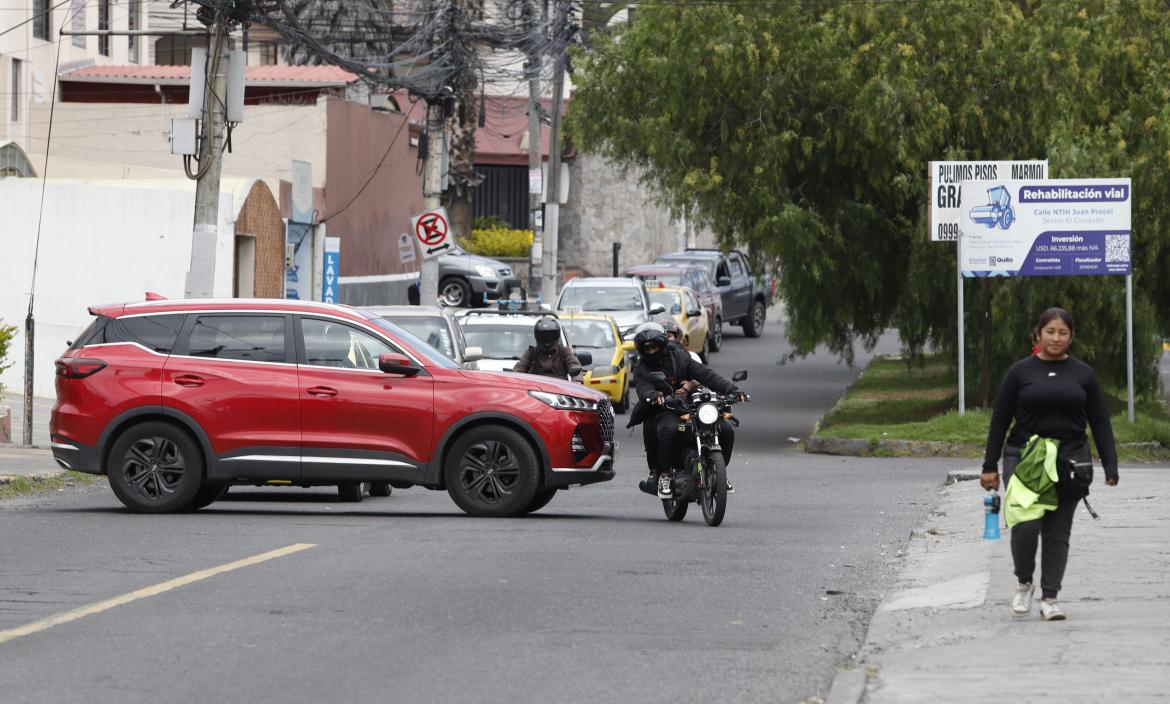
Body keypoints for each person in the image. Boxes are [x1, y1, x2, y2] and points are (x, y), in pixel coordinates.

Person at [980, 307, 1119, 621]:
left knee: (1058, 531)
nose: (1056, 338)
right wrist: (989, 465)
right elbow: (1000, 420)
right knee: (1026, 526)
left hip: (1070, 459)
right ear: (1038, 334)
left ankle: (1051, 598)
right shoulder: (1020, 372)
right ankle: (1024, 582)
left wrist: (1111, 465)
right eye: (1050, 332)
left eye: (1063, 333)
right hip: (1024, 457)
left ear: (1071, 337)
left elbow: (1099, 420)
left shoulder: (1083, 374)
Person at [628, 323, 745, 499]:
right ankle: (665, 475)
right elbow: (643, 388)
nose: (651, 351)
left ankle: (718, 473)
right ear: (641, 349)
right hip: (664, 407)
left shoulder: (678, 355)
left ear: (662, 344)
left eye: (654, 346)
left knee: (726, 429)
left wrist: (731, 390)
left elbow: (704, 373)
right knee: (670, 429)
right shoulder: (642, 367)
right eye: (647, 348)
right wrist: (654, 395)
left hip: (689, 404)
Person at [514, 316, 582, 380]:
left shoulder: (564, 351)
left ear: (557, 335)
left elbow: (575, 367)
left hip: (560, 388)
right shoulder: (531, 353)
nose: (547, 339)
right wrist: (515, 376)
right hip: (535, 389)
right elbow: (519, 369)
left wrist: (577, 381)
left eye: (551, 335)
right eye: (543, 336)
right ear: (537, 335)